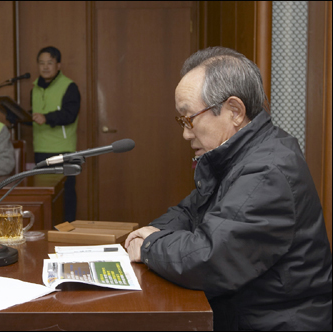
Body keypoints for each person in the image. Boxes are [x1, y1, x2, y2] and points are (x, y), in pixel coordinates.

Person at [124, 47, 332, 331]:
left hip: (276, 322)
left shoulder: (267, 170)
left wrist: (149, 246)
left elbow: (209, 258)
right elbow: (189, 211)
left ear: (234, 111)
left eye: (189, 118)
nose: (185, 133)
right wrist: (148, 233)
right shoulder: (236, 155)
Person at [31, 46, 81, 222]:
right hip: (40, 148)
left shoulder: (69, 86)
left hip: (63, 150)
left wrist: (47, 117)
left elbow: (70, 114)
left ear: (58, 65)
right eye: (41, 63)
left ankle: (67, 228)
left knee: (65, 193)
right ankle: (47, 229)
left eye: (49, 63)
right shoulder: (35, 88)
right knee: (44, 194)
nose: (45, 67)